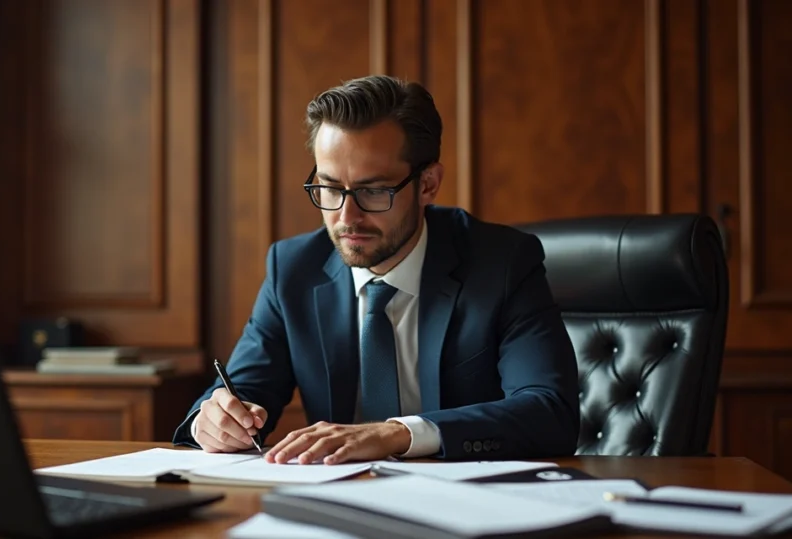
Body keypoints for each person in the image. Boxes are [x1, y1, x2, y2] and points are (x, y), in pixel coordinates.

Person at [172, 75, 579, 464]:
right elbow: (241, 393)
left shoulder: (502, 263)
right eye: (330, 188)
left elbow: (549, 411)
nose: (347, 216)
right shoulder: (294, 269)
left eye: (373, 190)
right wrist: (214, 422)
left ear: (428, 185)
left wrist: (397, 433)